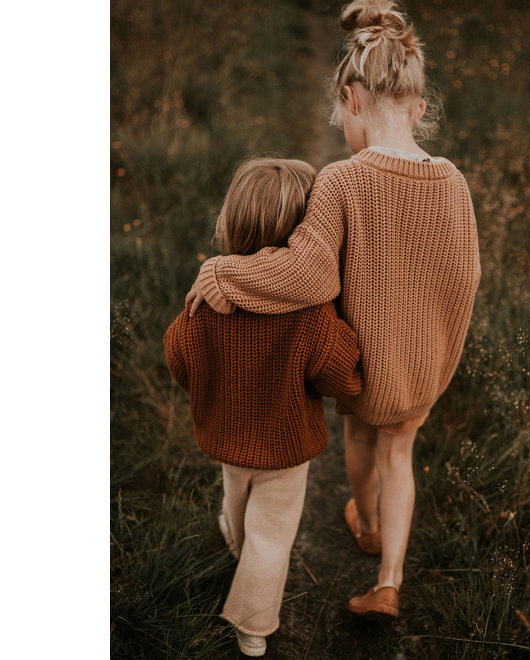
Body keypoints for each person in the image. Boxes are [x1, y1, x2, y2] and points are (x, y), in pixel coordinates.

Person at [185, 0, 480, 622]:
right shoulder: (453, 181)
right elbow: (465, 275)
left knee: (360, 438)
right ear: (420, 107)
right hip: (426, 367)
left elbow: (306, 273)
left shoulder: (342, 181)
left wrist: (223, 272)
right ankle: (389, 577)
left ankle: (364, 519)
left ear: (351, 99)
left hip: (364, 369)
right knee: (400, 457)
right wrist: (438, 354)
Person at [164, 157, 362, 657]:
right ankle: (253, 628)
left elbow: (180, 355)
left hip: (228, 435)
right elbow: (338, 373)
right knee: (273, 535)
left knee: (236, 492)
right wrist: (358, 373)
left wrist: (209, 382)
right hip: (287, 447)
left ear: (231, 220)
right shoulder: (312, 312)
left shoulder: (210, 293)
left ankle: (235, 541)